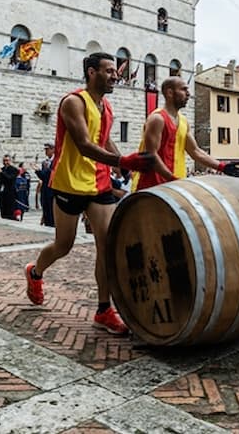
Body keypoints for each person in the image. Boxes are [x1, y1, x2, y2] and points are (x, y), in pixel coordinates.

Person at [24, 52, 157, 335]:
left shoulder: (105, 106)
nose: (115, 76)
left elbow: (104, 137)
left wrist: (122, 164)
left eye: (116, 71)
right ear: (91, 72)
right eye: (109, 71)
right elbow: (84, 144)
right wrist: (123, 162)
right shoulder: (73, 102)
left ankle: (103, 310)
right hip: (69, 183)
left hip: (99, 184)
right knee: (64, 245)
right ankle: (35, 272)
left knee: (106, 246)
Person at [131, 76, 239, 191]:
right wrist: (172, 179)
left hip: (173, 186)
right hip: (150, 186)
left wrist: (222, 166)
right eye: (183, 89)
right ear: (170, 93)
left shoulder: (183, 121)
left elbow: (195, 151)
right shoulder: (157, 119)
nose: (188, 94)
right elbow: (151, 155)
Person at [35, 143, 55, 227]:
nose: (46, 151)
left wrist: (39, 171)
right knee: (46, 210)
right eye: (45, 150)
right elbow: (44, 177)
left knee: (51, 213)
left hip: (52, 191)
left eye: (48, 149)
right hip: (45, 190)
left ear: (53, 150)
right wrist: (38, 171)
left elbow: (50, 175)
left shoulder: (56, 161)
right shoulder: (45, 162)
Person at [0, 155, 19, 220]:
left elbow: (9, 178)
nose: (5, 162)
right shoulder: (2, 169)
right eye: (4, 161)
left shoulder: (14, 170)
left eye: (7, 160)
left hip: (10, 194)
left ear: (10, 161)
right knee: (3, 212)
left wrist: (1, 172)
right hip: (2, 194)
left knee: (10, 212)